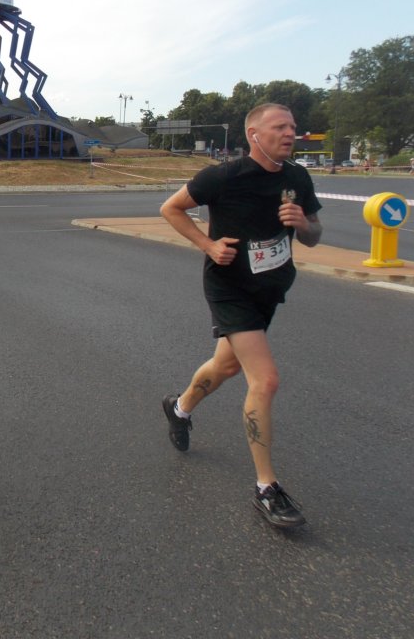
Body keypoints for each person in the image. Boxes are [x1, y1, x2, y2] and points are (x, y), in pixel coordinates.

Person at [159, 103, 323, 529]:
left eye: (292, 126)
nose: (290, 133)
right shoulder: (224, 176)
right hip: (230, 288)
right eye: (279, 127)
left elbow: (314, 236)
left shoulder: (297, 178)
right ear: (254, 134)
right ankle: (267, 488)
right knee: (265, 380)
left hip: (269, 289)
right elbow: (171, 208)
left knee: (227, 365)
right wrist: (208, 245)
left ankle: (179, 408)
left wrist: (303, 224)